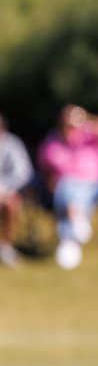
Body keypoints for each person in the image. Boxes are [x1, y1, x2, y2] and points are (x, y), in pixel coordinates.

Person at [37, 105, 98, 269]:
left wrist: (87, 120)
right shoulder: (52, 143)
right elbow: (45, 170)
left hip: (91, 186)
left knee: (70, 189)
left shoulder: (90, 135)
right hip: (60, 190)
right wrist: (50, 181)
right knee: (66, 186)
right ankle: (77, 219)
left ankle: (68, 240)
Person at [0, 113, 33, 267]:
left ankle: (6, 248)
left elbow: (23, 173)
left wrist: (4, 189)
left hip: (8, 193)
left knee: (11, 205)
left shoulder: (13, 144)